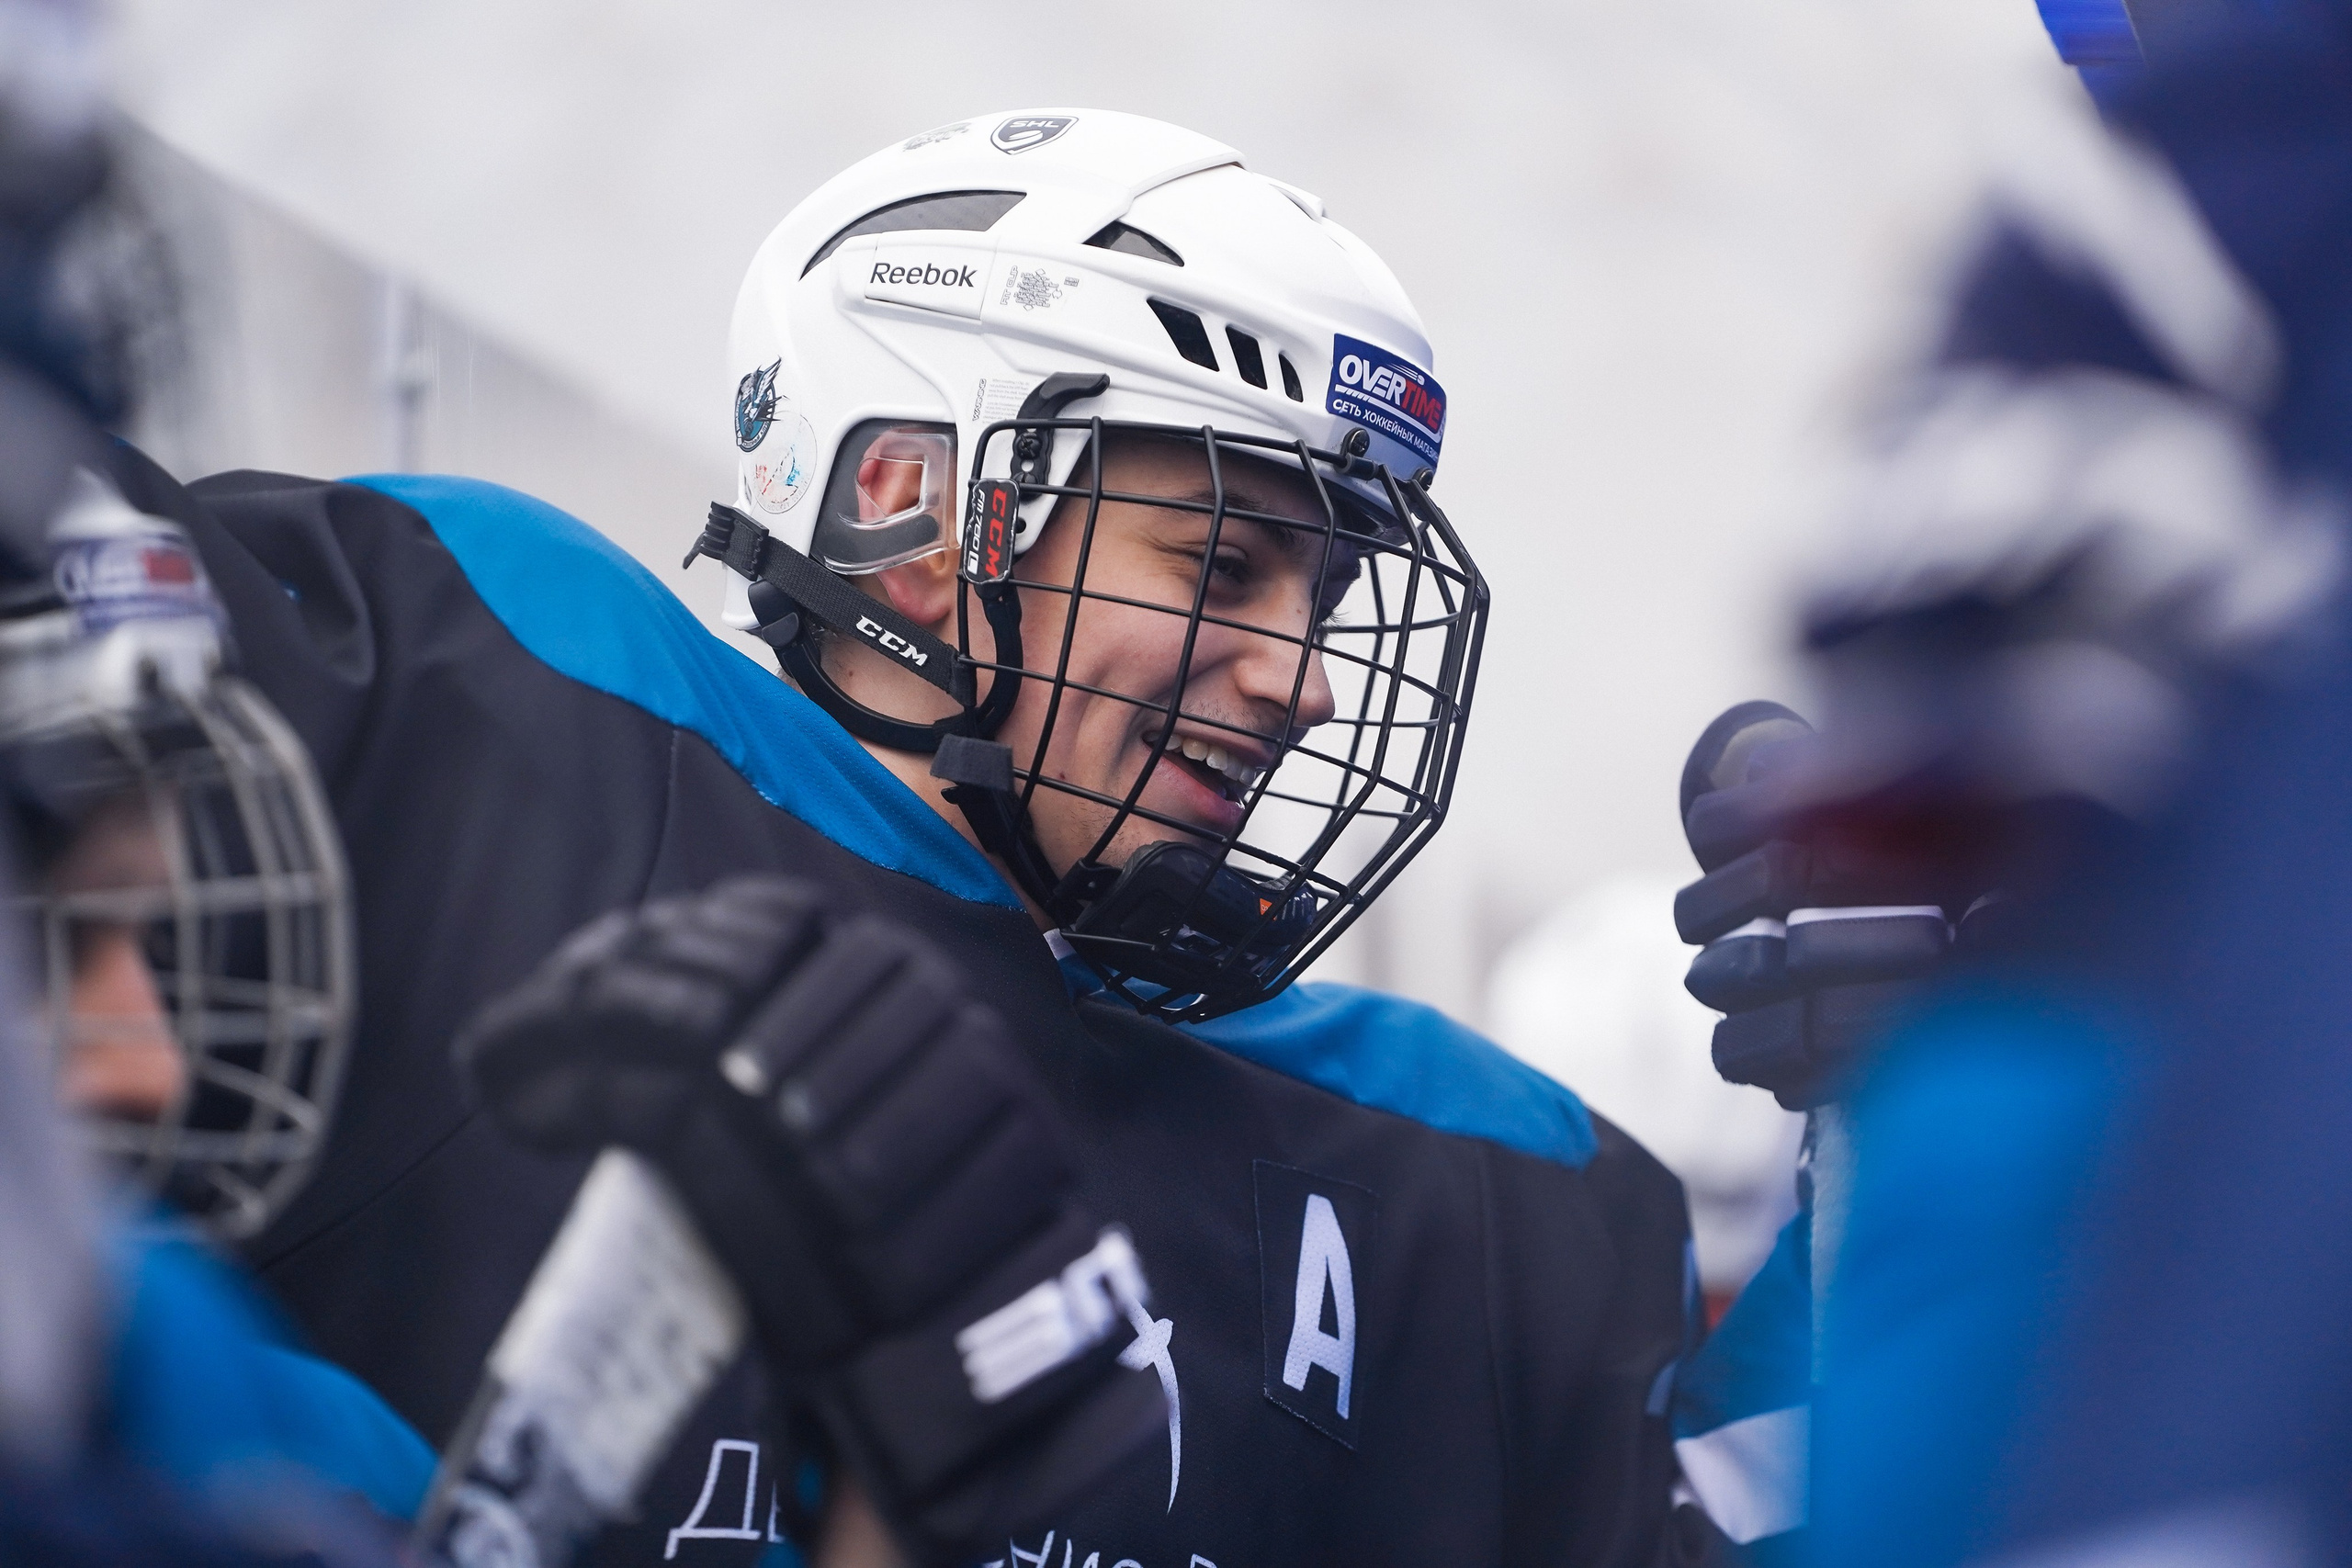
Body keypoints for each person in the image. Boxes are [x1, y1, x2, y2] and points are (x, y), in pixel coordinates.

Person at [152, 109, 1692, 1567]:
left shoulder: (1476, 1188)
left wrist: (1879, 1102)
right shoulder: (487, 692)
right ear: (918, 513)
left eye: (1329, 600)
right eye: (1224, 565)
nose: (1303, 678)